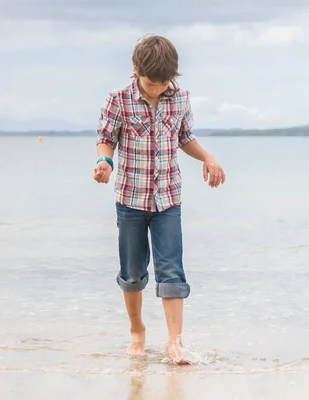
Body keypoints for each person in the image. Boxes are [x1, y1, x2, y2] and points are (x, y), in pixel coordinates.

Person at [92, 34, 225, 364]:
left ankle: (174, 342)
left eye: (163, 83)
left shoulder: (179, 99)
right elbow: (106, 139)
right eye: (151, 83)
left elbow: (185, 137)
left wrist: (207, 157)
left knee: (172, 271)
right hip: (130, 200)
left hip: (168, 199)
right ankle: (137, 331)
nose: (156, 89)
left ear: (173, 77)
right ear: (135, 69)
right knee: (133, 272)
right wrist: (104, 162)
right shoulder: (118, 99)